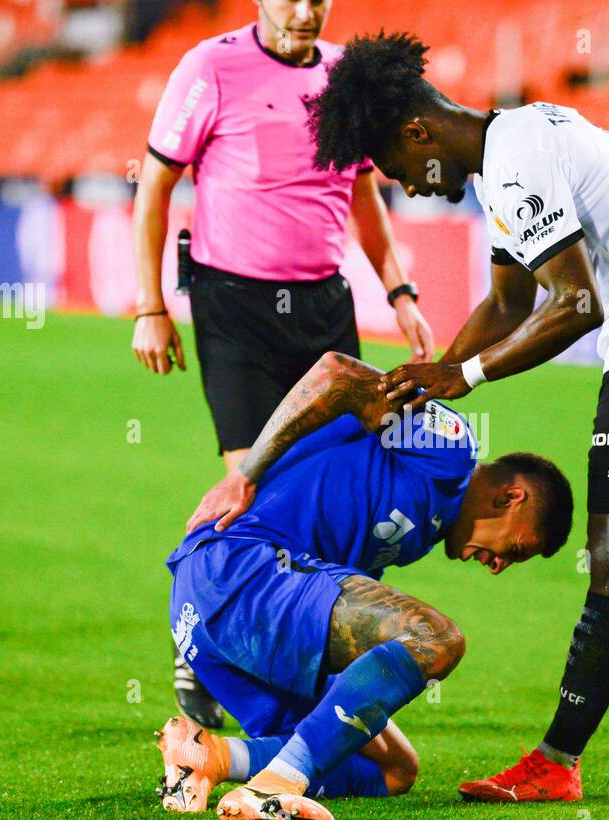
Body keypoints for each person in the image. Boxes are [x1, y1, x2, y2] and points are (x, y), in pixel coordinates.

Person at [304, 32, 609, 801]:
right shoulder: (510, 151)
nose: (410, 189)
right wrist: (427, 382)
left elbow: (575, 303)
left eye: (397, 171)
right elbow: (510, 300)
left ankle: (557, 761)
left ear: (419, 133)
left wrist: (468, 373)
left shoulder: (516, 160)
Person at [132, 1, 436, 729]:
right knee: (251, 488)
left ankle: (304, 652)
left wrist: (398, 291)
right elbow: (154, 186)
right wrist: (150, 305)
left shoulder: (343, 77)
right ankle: (204, 634)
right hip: (235, 307)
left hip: (324, 312)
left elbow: (364, 195)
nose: (303, 10)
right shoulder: (209, 68)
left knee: (332, 491)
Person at [159, 351, 573, 820]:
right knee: (436, 638)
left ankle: (210, 756)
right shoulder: (452, 450)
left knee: (393, 771)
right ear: (511, 497)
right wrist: (245, 474)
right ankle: (276, 786)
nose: (499, 566)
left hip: (214, 618)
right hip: (240, 567)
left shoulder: (421, 532)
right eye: (516, 550)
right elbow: (336, 373)